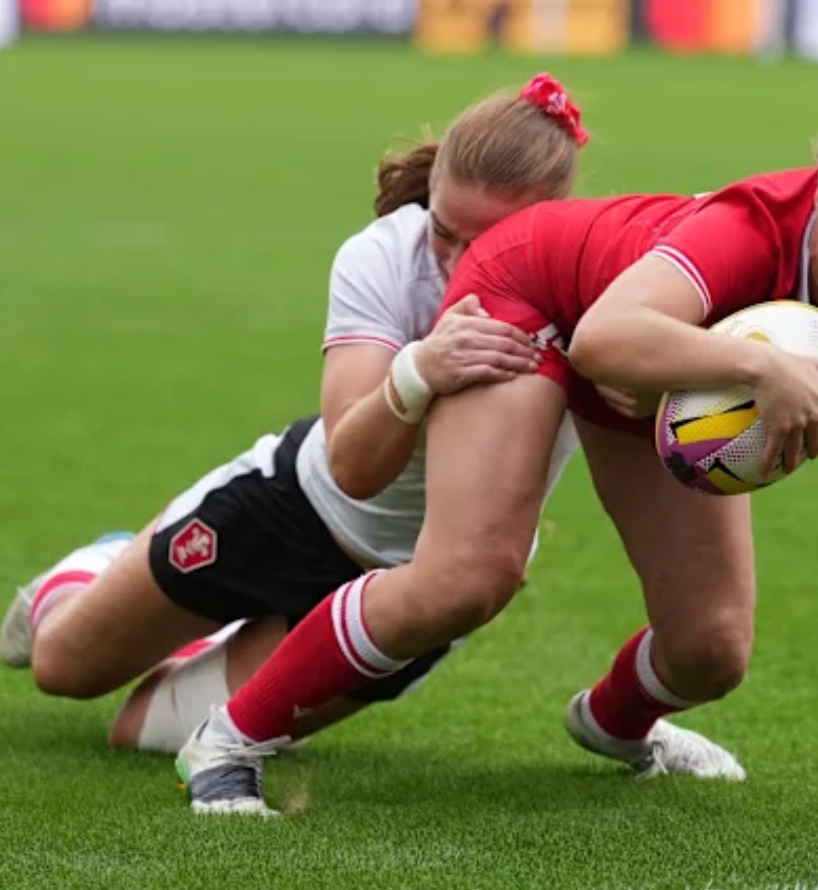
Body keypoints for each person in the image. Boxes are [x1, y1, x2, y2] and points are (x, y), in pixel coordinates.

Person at [177, 6, 818, 815]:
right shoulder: (749, 224)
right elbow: (608, 339)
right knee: (469, 575)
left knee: (711, 650)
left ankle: (615, 726)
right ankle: (231, 739)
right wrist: (760, 371)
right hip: (539, 297)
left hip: (655, 372)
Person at [0, 72, 589, 755]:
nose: (454, 261)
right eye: (443, 230)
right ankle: (101, 566)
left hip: (407, 591)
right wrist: (423, 367)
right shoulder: (384, 256)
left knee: (144, 734)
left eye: (483, 241)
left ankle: (229, 636)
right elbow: (352, 465)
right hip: (295, 511)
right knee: (62, 668)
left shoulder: (591, 282)